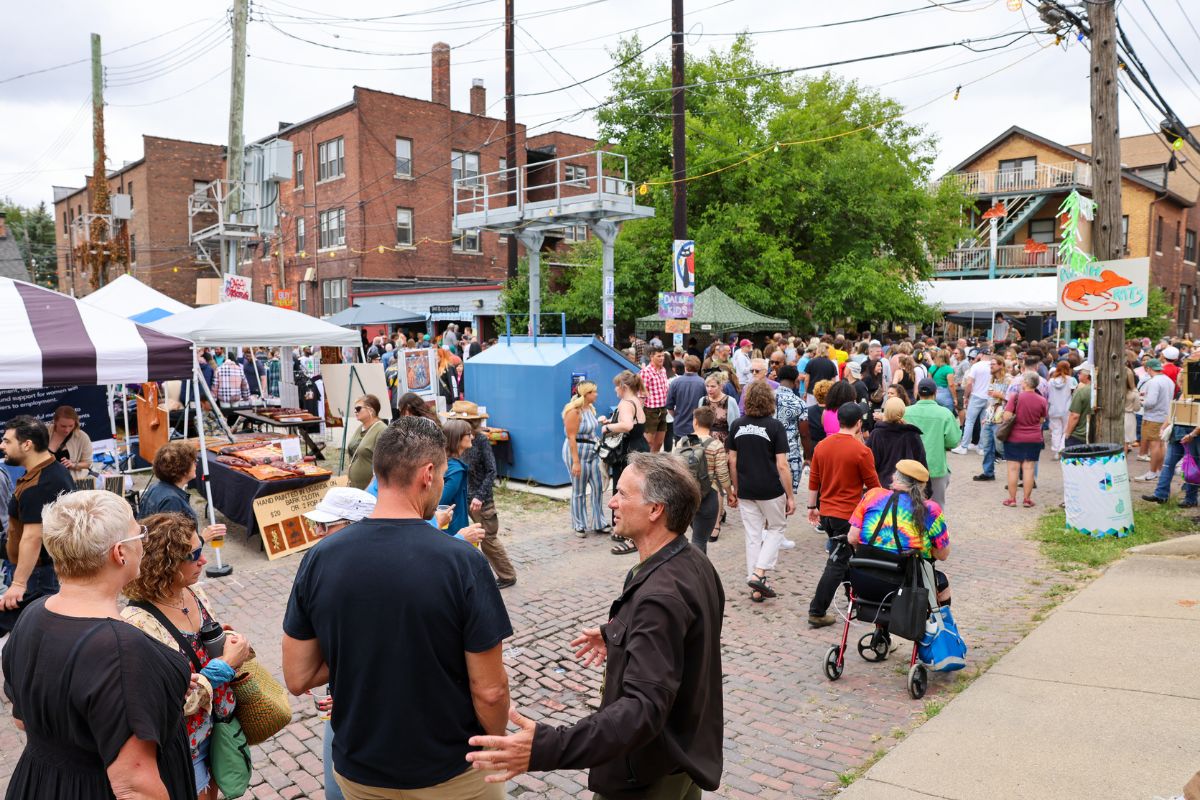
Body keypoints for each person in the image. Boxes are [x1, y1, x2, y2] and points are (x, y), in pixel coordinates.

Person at [465, 453, 724, 800]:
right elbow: (684, 640)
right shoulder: (693, 561)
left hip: (646, 776)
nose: (612, 502)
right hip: (677, 761)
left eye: (622, 494)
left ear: (655, 509)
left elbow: (641, 710)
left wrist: (546, 747)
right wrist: (618, 633)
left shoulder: (660, 597)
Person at [283, 417, 513, 800]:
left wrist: (357, 649)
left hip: (362, 772)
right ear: (427, 474)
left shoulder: (319, 558)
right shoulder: (461, 561)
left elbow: (297, 674)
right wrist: (494, 744)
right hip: (452, 773)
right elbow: (490, 690)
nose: (441, 485)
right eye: (441, 476)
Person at [1, 491, 195, 799]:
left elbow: (24, 719)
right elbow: (135, 787)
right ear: (120, 553)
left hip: (40, 784)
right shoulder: (122, 649)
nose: (142, 542)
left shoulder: (31, 616)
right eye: (138, 534)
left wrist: (154, 688)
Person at [121, 513, 253, 799]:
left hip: (216, 727)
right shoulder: (137, 623)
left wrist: (227, 642)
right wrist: (225, 665)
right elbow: (168, 703)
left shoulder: (192, 593)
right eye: (194, 555)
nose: (203, 561)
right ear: (164, 564)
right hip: (185, 747)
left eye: (201, 549)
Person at [806, 403, 881, 627]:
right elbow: (874, 486)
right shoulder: (861, 451)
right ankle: (817, 610)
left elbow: (814, 479)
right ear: (859, 423)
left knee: (845, 558)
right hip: (847, 514)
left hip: (827, 512)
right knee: (838, 562)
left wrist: (812, 506)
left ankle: (856, 599)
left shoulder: (822, 446)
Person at [0, 416, 75, 635]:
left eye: (7, 441)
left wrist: (19, 584)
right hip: (37, 571)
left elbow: (33, 537)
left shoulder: (41, 484)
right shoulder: (48, 470)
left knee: (35, 633)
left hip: (38, 575)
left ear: (27, 444)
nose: (2, 446)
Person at [848, 459, 951, 606]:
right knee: (942, 583)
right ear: (922, 486)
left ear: (894, 478)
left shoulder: (873, 496)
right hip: (906, 587)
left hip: (862, 580)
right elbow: (943, 554)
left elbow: (852, 538)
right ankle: (938, 626)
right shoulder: (930, 510)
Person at [727, 381, 794, 603]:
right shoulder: (775, 426)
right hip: (771, 488)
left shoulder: (737, 425)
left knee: (753, 535)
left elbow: (732, 460)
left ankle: (756, 585)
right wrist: (790, 495)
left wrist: (735, 487)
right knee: (776, 528)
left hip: (746, 488)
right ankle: (759, 573)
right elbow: (782, 465)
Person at [458, 404, 516, 588]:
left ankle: (507, 575)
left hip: (480, 500)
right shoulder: (455, 440)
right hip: (463, 497)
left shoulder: (481, 440)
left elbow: (492, 471)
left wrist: (480, 496)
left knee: (488, 539)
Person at [138, 440, 228, 541]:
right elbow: (174, 548)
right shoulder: (172, 500)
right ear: (183, 469)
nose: (196, 465)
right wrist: (203, 538)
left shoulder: (155, 487)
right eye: (194, 462)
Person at [600, 371, 649, 556]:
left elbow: (627, 426)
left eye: (616, 386)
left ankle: (629, 534)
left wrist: (607, 427)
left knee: (626, 491)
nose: (614, 389)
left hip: (628, 452)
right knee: (636, 490)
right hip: (638, 448)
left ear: (624, 387)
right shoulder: (637, 401)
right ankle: (624, 529)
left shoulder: (626, 403)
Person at [905, 379, 961, 507]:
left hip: (910, 464)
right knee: (936, 506)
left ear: (918, 392)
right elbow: (953, 441)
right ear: (935, 392)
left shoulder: (906, 412)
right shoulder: (945, 413)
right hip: (935, 465)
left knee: (909, 505)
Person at [562, 381, 607, 538]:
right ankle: (579, 524)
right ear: (586, 394)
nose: (596, 394)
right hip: (577, 452)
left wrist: (601, 423)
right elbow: (571, 437)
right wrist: (576, 462)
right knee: (579, 490)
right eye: (593, 392)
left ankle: (599, 522)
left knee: (597, 486)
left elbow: (589, 429)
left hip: (591, 451)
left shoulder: (590, 409)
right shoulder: (574, 411)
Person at [1002, 374, 1049, 508]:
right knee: (1029, 468)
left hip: (1014, 437)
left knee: (1013, 468)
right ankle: (1027, 499)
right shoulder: (1041, 400)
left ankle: (1012, 499)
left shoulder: (1015, 397)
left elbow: (1007, 416)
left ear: (1026, 383)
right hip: (1034, 437)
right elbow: (1041, 420)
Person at [690, 405, 731, 549]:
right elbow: (722, 474)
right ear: (712, 423)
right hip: (708, 494)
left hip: (688, 495)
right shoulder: (716, 445)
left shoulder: (683, 441)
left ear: (695, 422)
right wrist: (730, 494)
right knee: (700, 540)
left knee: (695, 535)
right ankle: (699, 570)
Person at [867, 397, 927, 488]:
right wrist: (927, 489)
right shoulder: (912, 435)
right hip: (908, 486)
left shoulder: (877, 434)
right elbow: (921, 462)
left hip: (883, 486)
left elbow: (870, 464)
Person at [774, 366, 808, 494]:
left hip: (765, 451)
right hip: (789, 453)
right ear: (795, 382)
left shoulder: (766, 398)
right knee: (786, 498)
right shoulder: (799, 403)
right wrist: (808, 456)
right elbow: (804, 433)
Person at [1138, 359, 1174, 482]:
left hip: (1153, 417)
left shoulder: (1153, 382)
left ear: (1149, 368)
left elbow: (1151, 402)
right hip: (1165, 416)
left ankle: (1152, 472)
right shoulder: (1168, 380)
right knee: (1161, 445)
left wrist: (1141, 402)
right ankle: (1159, 470)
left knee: (1154, 445)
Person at [345, 394, 386, 490]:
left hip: (369, 489)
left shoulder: (382, 430)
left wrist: (370, 489)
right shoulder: (361, 428)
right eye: (355, 409)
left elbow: (383, 466)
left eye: (358, 408)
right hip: (354, 486)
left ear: (371, 410)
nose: (355, 411)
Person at [46, 405, 93, 484]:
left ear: (76, 422)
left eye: (71, 426)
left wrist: (73, 465)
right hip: (47, 481)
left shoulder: (82, 437)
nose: (67, 430)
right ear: (55, 422)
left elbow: (88, 463)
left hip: (71, 482)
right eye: (63, 426)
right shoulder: (44, 431)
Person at [665, 355, 707, 438]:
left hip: (680, 426)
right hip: (698, 427)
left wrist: (676, 416)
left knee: (680, 450)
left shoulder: (675, 383)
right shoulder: (703, 383)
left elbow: (669, 406)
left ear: (685, 367)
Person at [638, 346, 670, 453]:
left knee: (659, 442)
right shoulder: (646, 372)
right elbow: (641, 394)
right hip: (650, 410)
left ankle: (654, 462)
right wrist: (639, 413)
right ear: (651, 357)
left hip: (662, 408)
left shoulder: (663, 370)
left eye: (663, 356)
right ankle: (645, 464)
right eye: (659, 356)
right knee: (648, 442)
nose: (662, 358)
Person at [697, 372, 739, 446]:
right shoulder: (702, 400)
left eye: (713, 386)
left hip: (724, 442)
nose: (709, 389)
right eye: (707, 386)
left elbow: (735, 426)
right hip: (705, 442)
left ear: (721, 386)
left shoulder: (729, 401)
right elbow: (699, 423)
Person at [1046, 360, 1077, 458]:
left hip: (1053, 409)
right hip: (1067, 408)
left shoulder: (1050, 381)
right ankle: (1062, 448)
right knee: (1065, 429)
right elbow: (1075, 392)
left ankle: (1056, 451)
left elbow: (1047, 394)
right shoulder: (1071, 380)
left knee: (1055, 430)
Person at [1064, 363, 1093, 449]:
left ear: (1087, 375)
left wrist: (1068, 433)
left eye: (1080, 372)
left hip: (1079, 435)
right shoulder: (1096, 389)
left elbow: (1074, 415)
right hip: (1091, 434)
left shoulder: (1081, 391)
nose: (1078, 374)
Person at [928, 351, 958, 417]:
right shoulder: (949, 369)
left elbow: (929, 382)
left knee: (936, 416)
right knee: (947, 416)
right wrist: (955, 398)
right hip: (945, 394)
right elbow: (951, 385)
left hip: (934, 394)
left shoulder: (932, 368)